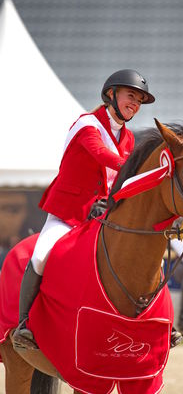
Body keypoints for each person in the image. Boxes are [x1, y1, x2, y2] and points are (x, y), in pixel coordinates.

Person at [13, 69, 155, 349]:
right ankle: (23, 325)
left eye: (139, 100)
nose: (135, 104)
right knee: (41, 255)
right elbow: (103, 155)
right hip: (68, 211)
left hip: (100, 215)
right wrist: (142, 169)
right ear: (111, 95)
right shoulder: (86, 124)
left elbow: (119, 182)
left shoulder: (128, 139)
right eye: (131, 96)